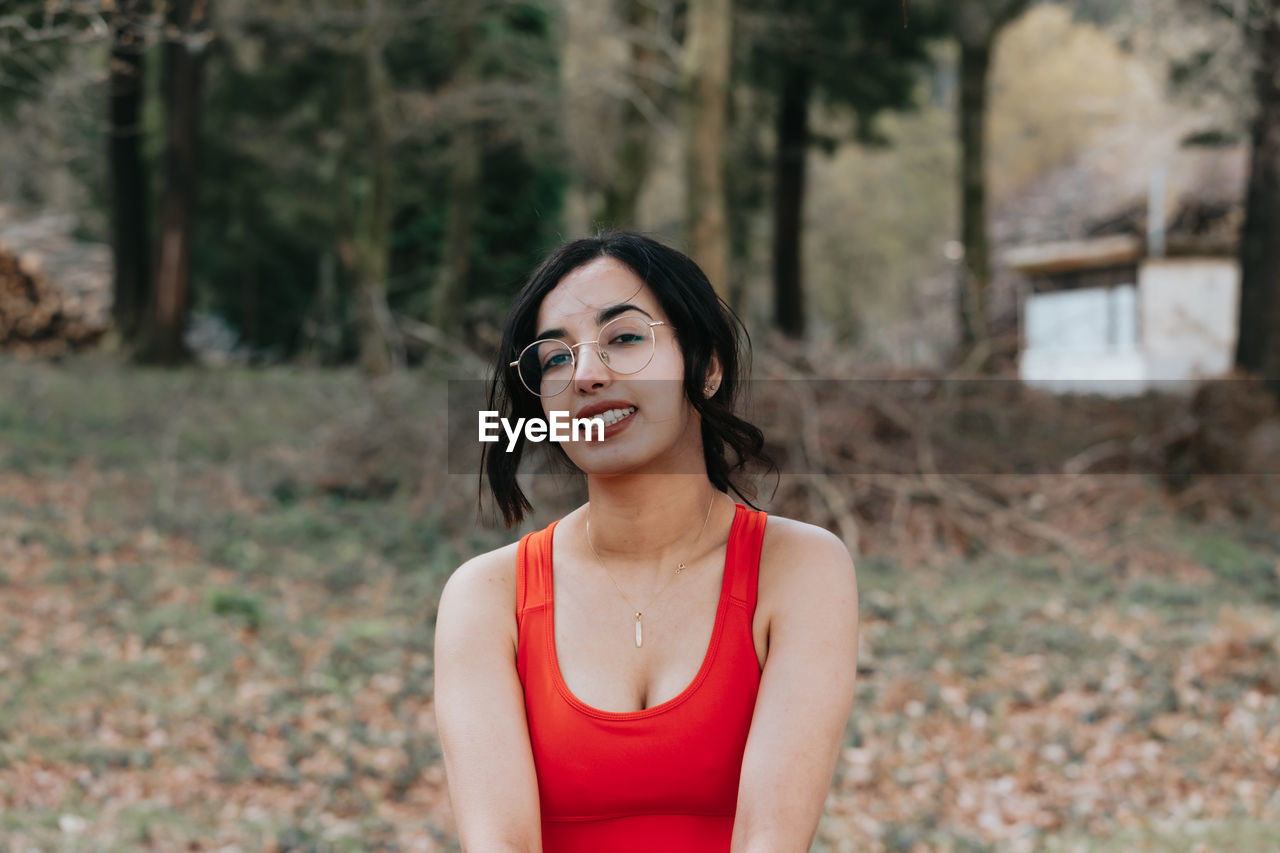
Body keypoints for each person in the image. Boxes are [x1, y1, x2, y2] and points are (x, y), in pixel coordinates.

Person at [434, 232, 859, 852]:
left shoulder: (798, 569)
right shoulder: (488, 596)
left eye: (625, 338)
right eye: (555, 358)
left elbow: (769, 842)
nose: (585, 375)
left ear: (706, 367)